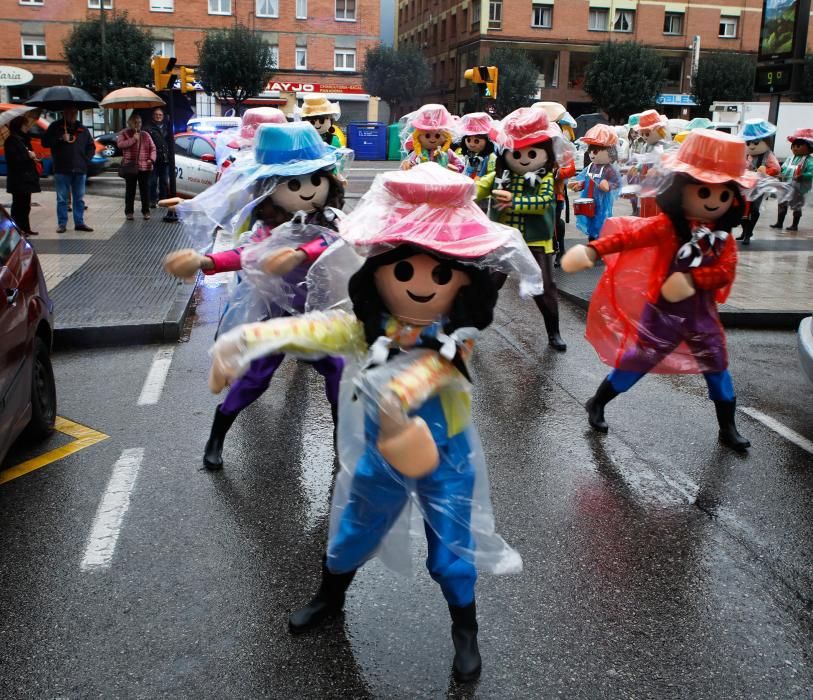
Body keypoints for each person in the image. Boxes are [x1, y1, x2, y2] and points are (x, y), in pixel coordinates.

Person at [207, 163, 543, 683]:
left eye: (441, 274)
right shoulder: (367, 328)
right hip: (379, 455)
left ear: (464, 281)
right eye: (404, 271)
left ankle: (465, 630)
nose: (423, 286)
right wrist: (241, 341)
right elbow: (310, 328)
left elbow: (431, 371)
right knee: (350, 533)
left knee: (451, 551)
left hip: (446, 457)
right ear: (379, 275)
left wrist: (395, 404)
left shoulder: (457, 336)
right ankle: (328, 598)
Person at [162, 122, 346, 470]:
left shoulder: (331, 220)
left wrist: (300, 254)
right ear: (269, 190)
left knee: (338, 370)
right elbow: (244, 255)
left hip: (318, 317)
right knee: (256, 378)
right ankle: (217, 435)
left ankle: (340, 442)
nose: (307, 191)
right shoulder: (266, 232)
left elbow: (334, 242)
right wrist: (206, 261)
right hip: (277, 316)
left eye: (315, 180)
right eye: (293, 184)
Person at [561, 129, 757, 452]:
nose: (713, 202)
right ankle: (597, 402)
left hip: (701, 315)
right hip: (662, 312)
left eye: (723, 195)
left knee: (717, 364)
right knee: (640, 360)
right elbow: (629, 237)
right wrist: (595, 250)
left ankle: (728, 428)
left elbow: (724, 272)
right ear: (681, 190)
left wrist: (695, 281)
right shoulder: (668, 227)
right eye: (703, 192)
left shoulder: (723, 240)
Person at [476, 107, 572, 351]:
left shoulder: (547, 177)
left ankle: (554, 332)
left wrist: (514, 202)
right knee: (489, 284)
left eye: (531, 152)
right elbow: (475, 188)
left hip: (537, 240)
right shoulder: (500, 174)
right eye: (517, 153)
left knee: (544, 288)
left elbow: (543, 203)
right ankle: (472, 325)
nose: (524, 159)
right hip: (505, 240)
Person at [42, 107, 95, 233]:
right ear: (63, 113)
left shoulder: (82, 129)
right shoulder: (55, 127)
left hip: (79, 169)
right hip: (62, 168)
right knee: (62, 199)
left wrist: (85, 159)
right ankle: (62, 223)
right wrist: (60, 138)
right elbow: (45, 142)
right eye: (68, 112)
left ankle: (79, 222)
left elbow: (91, 146)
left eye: (73, 112)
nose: (71, 115)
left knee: (79, 198)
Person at [5, 114, 41, 236]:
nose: (27, 127)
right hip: (18, 178)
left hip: (27, 178)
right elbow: (13, 159)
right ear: (19, 126)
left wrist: (34, 157)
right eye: (25, 125)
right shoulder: (11, 141)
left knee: (26, 205)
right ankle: (17, 229)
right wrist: (28, 156)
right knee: (18, 206)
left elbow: (28, 155)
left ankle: (26, 228)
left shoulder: (24, 140)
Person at [771, 128, 813, 232]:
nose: (795, 148)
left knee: (796, 206)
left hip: (799, 188)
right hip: (786, 185)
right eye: (793, 146)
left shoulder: (809, 160)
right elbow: (784, 168)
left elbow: (811, 173)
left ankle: (794, 225)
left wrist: (803, 176)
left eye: (798, 146)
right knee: (782, 203)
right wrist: (780, 174)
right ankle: (779, 223)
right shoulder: (790, 158)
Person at [116, 114, 157, 221]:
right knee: (130, 190)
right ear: (130, 123)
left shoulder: (145, 135)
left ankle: (146, 211)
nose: (138, 124)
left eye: (139, 122)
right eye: (135, 122)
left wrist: (151, 159)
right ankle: (129, 212)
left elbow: (153, 148)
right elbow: (120, 145)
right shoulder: (124, 133)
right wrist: (133, 139)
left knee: (145, 190)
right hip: (130, 166)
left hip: (145, 167)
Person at [143, 107, 171, 208]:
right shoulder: (147, 128)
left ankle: (162, 201)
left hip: (165, 159)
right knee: (153, 181)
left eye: (160, 115)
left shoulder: (167, 127)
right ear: (153, 116)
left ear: (163, 116)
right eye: (156, 114)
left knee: (164, 181)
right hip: (154, 159)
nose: (158, 116)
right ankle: (152, 201)